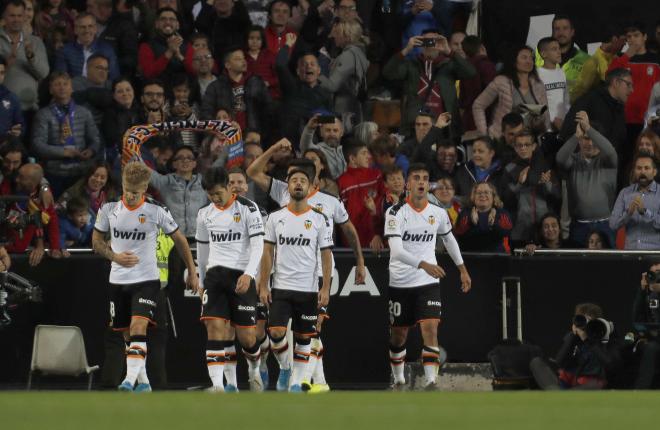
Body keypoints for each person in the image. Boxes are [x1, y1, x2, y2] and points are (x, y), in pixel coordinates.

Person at [248, 143, 366, 390]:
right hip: (284, 275)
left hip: (316, 276)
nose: (297, 181)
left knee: (312, 332)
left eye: (305, 174)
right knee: (280, 332)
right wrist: (273, 149)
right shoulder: (282, 195)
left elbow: (347, 231)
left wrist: (359, 261)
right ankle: (303, 376)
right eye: (293, 175)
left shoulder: (329, 203)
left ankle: (308, 382)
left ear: (315, 179)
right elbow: (253, 173)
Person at [92, 161, 198, 392]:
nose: (130, 196)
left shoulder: (156, 210)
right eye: (127, 190)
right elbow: (96, 242)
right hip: (118, 279)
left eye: (136, 192)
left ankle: (128, 381)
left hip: (147, 280)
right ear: (122, 185)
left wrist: (191, 270)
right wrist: (114, 257)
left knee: (139, 325)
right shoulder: (108, 209)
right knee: (127, 335)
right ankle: (144, 382)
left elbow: (180, 239)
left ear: (145, 189)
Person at [384, 162, 471, 390]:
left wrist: (462, 269)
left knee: (431, 328)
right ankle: (399, 378)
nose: (421, 182)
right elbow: (396, 251)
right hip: (401, 282)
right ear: (407, 184)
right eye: (416, 178)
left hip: (427, 282)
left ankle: (432, 381)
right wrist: (424, 264)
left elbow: (449, 239)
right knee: (398, 336)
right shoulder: (394, 213)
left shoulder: (438, 213)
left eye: (424, 178)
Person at [257, 165, 334, 392]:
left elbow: (326, 255)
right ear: (288, 186)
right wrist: (263, 284)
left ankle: (296, 385)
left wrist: (326, 287)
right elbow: (267, 252)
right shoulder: (275, 218)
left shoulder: (319, 219)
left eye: (303, 180)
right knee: (276, 334)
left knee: (304, 339)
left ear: (310, 188)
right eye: (294, 180)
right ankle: (285, 367)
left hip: (308, 289)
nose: (298, 183)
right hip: (281, 287)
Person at [195, 166, 265, 392]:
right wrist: (201, 280)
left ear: (229, 187)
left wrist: (249, 273)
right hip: (215, 276)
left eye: (218, 193)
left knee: (247, 338)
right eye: (210, 195)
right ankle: (220, 386)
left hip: (240, 276)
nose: (215, 198)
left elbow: (258, 245)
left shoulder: (248, 208)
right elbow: (203, 249)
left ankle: (254, 369)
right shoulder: (204, 214)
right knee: (215, 329)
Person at [383, 29, 476, 135]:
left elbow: (471, 73)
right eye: (426, 41)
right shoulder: (412, 65)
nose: (430, 44)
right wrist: (406, 50)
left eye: (434, 41)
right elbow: (388, 73)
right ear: (421, 43)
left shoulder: (449, 65)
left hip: (443, 126)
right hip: (416, 125)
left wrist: (449, 52)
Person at [31, 72, 101, 196]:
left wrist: (91, 150)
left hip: (82, 171)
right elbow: (37, 145)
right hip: (55, 172)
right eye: (57, 84)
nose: (62, 87)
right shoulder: (43, 114)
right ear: (51, 89)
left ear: (71, 88)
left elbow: (95, 138)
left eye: (65, 84)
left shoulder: (84, 112)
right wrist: (63, 152)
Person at [556, 111, 617, 247]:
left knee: (609, 265)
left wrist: (588, 128)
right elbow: (560, 159)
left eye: (593, 139)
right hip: (579, 226)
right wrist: (576, 136)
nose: (589, 143)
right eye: (585, 138)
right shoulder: (573, 160)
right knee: (579, 267)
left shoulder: (607, 160)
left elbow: (610, 151)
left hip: (605, 225)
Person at [531, 303, 619, 390]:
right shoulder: (572, 337)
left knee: (596, 384)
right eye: (582, 319)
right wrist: (573, 337)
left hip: (589, 384)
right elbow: (560, 362)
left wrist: (588, 340)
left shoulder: (604, 338)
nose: (585, 324)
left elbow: (610, 365)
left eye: (589, 320)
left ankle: (560, 395)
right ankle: (561, 394)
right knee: (536, 362)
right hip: (567, 381)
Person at [472, 45, 550, 139]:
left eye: (531, 58)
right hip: (504, 139)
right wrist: (484, 133)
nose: (529, 61)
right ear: (513, 61)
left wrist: (543, 134)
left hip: (529, 141)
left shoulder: (538, 84)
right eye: (524, 57)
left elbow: (545, 112)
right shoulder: (501, 81)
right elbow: (478, 105)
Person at [501, 129, 560, 246]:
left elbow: (558, 196)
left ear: (533, 146)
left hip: (545, 232)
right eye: (519, 145)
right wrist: (519, 184)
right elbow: (505, 200)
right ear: (515, 148)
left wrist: (546, 183)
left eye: (526, 145)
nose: (523, 148)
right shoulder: (509, 169)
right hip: (519, 232)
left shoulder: (546, 167)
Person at [560, 68, 631, 159]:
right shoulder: (589, 101)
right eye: (628, 85)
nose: (631, 90)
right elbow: (568, 132)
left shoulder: (619, 107)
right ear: (616, 82)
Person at [608, 23, 660, 146]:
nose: (632, 39)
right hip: (623, 118)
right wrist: (626, 56)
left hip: (648, 120)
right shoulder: (621, 58)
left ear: (645, 37)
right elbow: (609, 76)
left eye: (636, 35)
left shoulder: (656, 60)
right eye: (629, 36)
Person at [201, 47, 272, 136]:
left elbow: (268, 110)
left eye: (243, 58)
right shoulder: (215, 87)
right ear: (227, 65)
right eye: (238, 59)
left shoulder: (256, 82)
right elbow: (206, 113)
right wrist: (218, 131)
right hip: (225, 137)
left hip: (253, 136)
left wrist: (260, 133)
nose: (243, 61)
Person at [276, 34, 331, 144]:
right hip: (289, 140)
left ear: (319, 70)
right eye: (304, 64)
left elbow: (330, 118)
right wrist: (288, 45)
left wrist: (312, 118)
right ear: (297, 71)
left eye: (312, 64)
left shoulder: (325, 94)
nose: (308, 66)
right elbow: (280, 65)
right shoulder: (291, 86)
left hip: (314, 141)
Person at [2, 163, 62, 265]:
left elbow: (52, 219)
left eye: (22, 178)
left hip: (17, 246)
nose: (17, 179)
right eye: (18, 176)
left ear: (33, 183)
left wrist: (55, 247)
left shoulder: (42, 195)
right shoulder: (9, 184)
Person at [0, 0, 50, 113]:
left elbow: (43, 73)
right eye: (12, 15)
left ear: (24, 17)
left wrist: (31, 57)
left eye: (19, 15)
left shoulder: (36, 42)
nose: (16, 19)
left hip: (29, 109)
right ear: (4, 16)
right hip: (2, 109)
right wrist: (6, 64)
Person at [149, 146, 208, 240]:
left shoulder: (205, 182)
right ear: (174, 164)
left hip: (199, 237)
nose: (185, 161)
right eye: (180, 158)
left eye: (189, 158)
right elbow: (143, 170)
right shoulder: (165, 181)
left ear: (194, 163)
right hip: (172, 238)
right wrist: (132, 150)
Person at [337, 140, 387, 250]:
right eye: (364, 153)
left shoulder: (376, 175)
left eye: (368, 153)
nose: (369, 156)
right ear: (352, 158)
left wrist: (378, 234)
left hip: (377, 241)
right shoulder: (341, 182)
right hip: (352, 244)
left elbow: (386, 203)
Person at [319, 19, 369, 127]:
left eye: (337, 33)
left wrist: (316, 74)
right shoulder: (358, 53)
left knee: (314, 120)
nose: (333, 36)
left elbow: (332, 85)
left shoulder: (348, 56)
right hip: (352, 109)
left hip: (342, 112)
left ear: (346, 35)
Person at [610, 153, 660, 250]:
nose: (642, 172)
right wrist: (628, 213)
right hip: (631, 251)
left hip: (655, 253)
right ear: (634, 171)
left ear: (654, 172)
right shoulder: (624, 193)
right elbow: (613, 224)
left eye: (646, 168)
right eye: (639, 168)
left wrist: (645, 212)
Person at [54, 13, 119, 80]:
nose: (87, 30)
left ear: (95, 29)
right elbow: (61, 79)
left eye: (90, 26)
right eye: (83, 27)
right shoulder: (64, 50)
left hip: (101, 89)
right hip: (75, 89)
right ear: (75, 30)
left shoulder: (107, 49)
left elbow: (114, 78)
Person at [454, 182, 512, 253]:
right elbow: (460, 235)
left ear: (493, 196)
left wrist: (494, 224)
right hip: (470, 255)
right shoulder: (465, 213)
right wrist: (472, 222)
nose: (482, 195)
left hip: (496, 256)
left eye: (486, 192)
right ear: (473, 197)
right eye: (479, 193)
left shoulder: (502, 213)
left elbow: (506, 232)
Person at [138, 7, 194, 81]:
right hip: (158, 90)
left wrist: (180, 56)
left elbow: (195, 72)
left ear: (178, 25)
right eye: (163, 19)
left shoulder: (188, 46)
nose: (168, 22)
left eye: (172, 19)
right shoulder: (146, 46)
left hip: (183, 90)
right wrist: (169, 52)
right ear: (156, 24)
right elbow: (149, 74)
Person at [87, 0, 139, 77]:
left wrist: (108, 63)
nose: (88, 10)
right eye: (88, 7)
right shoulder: (87, 25)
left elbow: (131, 59)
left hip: (115, 77)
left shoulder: (124, 27)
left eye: (90, 7)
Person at [573, 26, 626, 101]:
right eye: (623, 40)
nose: (625, 44)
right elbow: (580, 92)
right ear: (614, 39)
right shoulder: (593, 63)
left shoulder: (616, 58)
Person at [459, 35, 496, 132]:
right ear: (482, 47)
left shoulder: (464, 67)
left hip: (467, 119)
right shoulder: (487, 66)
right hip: (485, 118)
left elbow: (462, 98)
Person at [632, 262, 660, 389]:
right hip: (650, 337)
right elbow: (636, 318)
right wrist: (643, 290)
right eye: (653, 273)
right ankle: (641, 389)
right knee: (650, 347)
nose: (657, 276)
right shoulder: (645, 294)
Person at [101, 78, 140, 163]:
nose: (125, 94)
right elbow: (112, 140)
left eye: (128, 90)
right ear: (114, 96)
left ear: (133, 92)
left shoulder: (138, 111)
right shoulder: (109, 114)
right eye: (120, 91)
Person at [453, 135, 503, 202]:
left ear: (491, 153)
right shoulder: (463, 171)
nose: (476, 155)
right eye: (474, 151)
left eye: (480, 151)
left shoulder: (501, 172)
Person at [537, 37, 570, 131]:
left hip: (562, 126)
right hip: (546, 129)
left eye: (559, 48)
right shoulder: (537, 75)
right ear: (543, 54)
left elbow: (565, 100)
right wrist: (551, 121)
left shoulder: (561, 73)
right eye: (554, 49)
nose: (559, 52)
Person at [300, 114, 346, 179]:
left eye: (335, 130)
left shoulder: (346, 150)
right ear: (321, 132)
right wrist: (310, 129)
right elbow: (305, 146)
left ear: (341, 132)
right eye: (328, 130)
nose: (332, 134)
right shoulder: (318, 150)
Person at [244, 25, 279, 100]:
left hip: (269, 95)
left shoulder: (270, 55)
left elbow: (279, 77)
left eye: (258, 39)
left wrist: (268, 83)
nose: (254, 41)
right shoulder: (242, 57)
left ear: (263, 41)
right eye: (251, 38)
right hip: (248, 95)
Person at [0, 55, 23, 138]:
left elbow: (20, 125)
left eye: (1, 73)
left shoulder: (12, 98)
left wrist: (18, 131)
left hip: (4, 146)